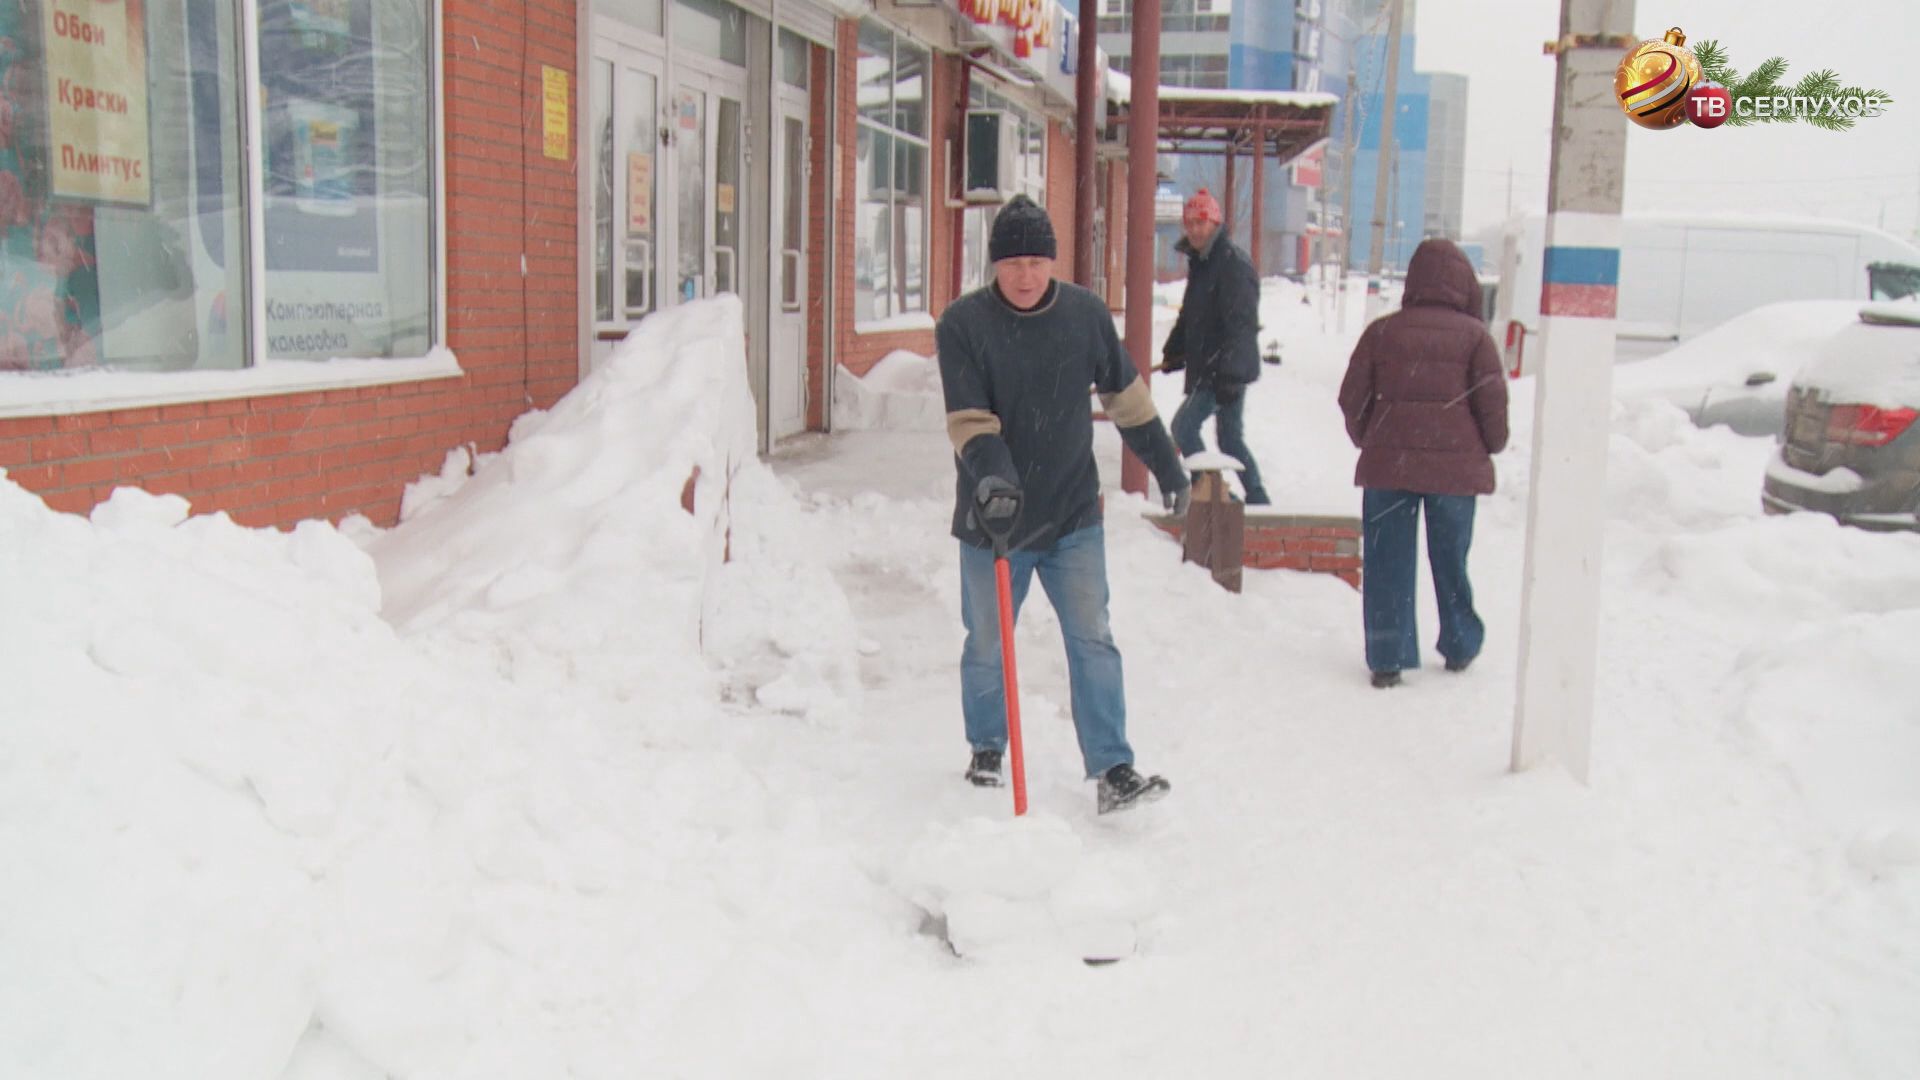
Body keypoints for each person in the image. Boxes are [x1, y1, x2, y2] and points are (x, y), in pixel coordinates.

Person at [936, 194, 1188, 814]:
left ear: (1052, 262)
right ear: (995, 265)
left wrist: (1167, 464)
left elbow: (1126, 398)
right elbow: (970, 420)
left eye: (1036, 261)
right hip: (994, 520)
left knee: (1093, 637)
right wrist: (995, 479)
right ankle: (987, 747)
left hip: (1073, 514)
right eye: (1013, 262)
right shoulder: (964, 325)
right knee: (988, 643)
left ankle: (1113, 767)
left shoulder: (1084, 316)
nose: (1025, 275)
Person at [1337, 237, 1510, 689]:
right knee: (1451, 559)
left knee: (1386, 559)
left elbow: (1351, 397)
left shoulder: (1382, 333)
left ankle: (1388, 656)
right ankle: (1458, 643)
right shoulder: (1476, 338)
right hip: (1454, 473)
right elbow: (1492, 405)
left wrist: (1370, 439)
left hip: (1388, 468)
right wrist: (1490, 445)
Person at [1160, 188, 1270, 505]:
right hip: (1210, 367)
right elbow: (1191, 316)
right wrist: (1173, 351)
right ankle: (1257, 499)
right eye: (1189, 223)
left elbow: (1241, 325)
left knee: (1183, 427)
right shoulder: (1203, 264)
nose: (1194, 229)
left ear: (1215, 223)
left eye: (1201, 222)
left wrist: (1231, 377)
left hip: (1223, 370)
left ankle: (1214, 494)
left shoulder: (1232, 265)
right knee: (1231, 439)